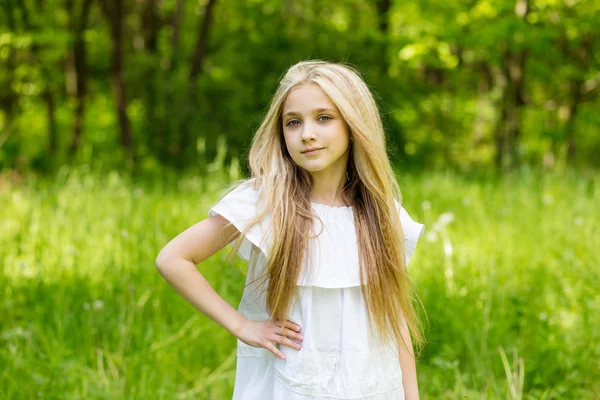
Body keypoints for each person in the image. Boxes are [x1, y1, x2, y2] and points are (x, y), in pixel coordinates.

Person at [155, 60, 426, 399]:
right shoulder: (265, 201)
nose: (307, 133)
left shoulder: (380, 211)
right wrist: (241, 326)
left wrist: (411, 395)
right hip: (291, 384)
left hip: (370, 383)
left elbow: (394, 317)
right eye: (293, 122)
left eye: (324, 118)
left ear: (353, 124)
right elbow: (173, 259)